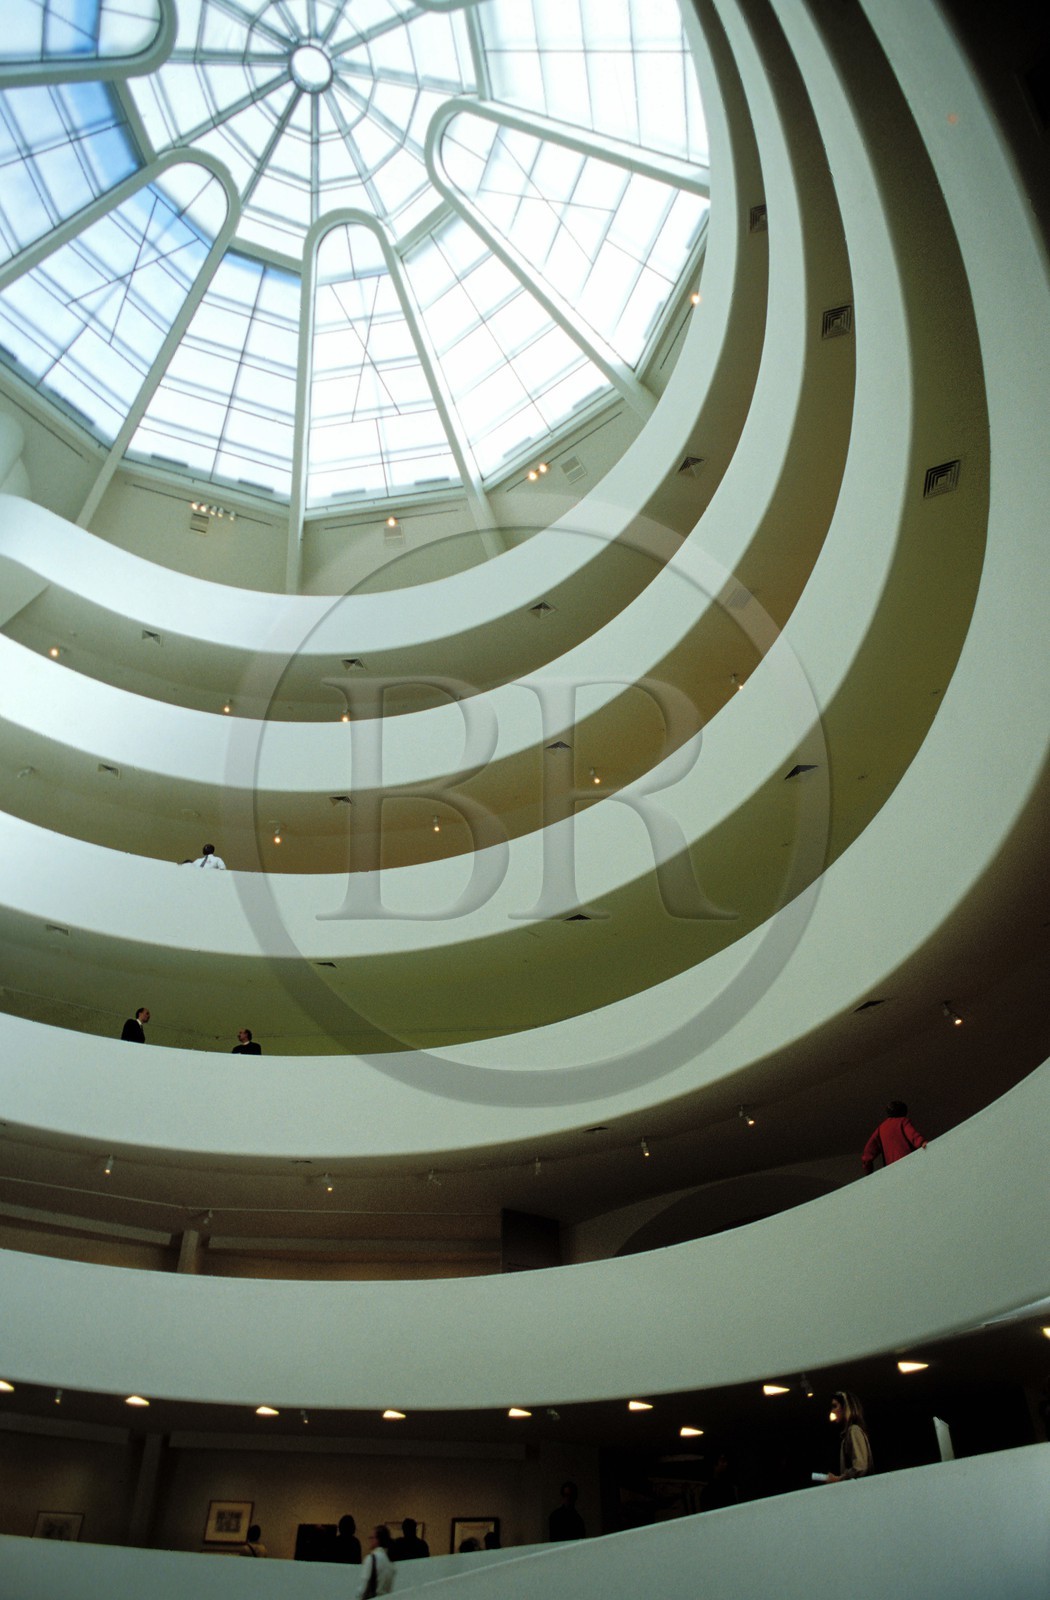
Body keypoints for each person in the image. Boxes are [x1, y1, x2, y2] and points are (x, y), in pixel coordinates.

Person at [861, 1101, 928, 1173]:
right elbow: (912, 1134)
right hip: (908, 1162)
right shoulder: (903, 1121)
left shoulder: (881, 1128)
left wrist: (868, 1169)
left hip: (891, 1169)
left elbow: (869, 1150)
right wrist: (922, 1142)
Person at [825, 1390, 873, 1482]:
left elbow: (860, 1467)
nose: (832, 1410)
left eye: (835, 1406)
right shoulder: (849, 1433)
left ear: (846, 1407)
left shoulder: (854, 1430)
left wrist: (838, 1479)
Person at [357, 1526, 395, 1596]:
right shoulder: (389, 1563)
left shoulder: (371, 1558)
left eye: (371, 1537)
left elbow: (364, 1585)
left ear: (377, 1540)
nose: (370, 1540)